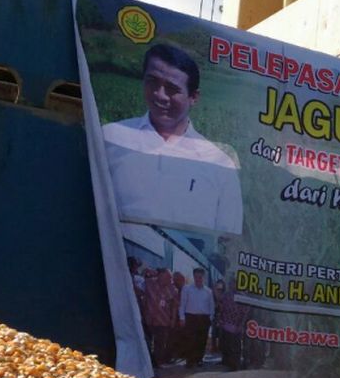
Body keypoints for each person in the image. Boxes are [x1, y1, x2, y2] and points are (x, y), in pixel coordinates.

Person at [103, 44, 243, 235]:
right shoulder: (110, 137)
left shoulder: (219, 164)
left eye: (171, 89)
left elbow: (228, 237)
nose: (159, 95)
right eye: (152, 81)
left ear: (193, 97)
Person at [179, 267, 216, 367]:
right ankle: (190, 361)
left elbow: (211, 306)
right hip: (191, 317)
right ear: (194, 276)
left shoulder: (208, 291)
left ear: (203, 277)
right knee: (190, 340)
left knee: (201, 340)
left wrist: (211, 318)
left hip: (204, 318)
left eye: (200, 277)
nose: (198, 279)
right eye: (196, 277)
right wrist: (182, 318)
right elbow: (182, 304)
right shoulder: (187, 289)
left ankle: (199, 359)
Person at [215, 280, 249, 370]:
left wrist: (241, 325)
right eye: (230, 283)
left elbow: (245, 313)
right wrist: (220, 320)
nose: (231, 285)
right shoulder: (226, 295)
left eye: (233, 283)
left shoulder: (242, 296)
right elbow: (220, 305)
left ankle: (235, 365)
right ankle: (225, 361)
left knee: (235, 346)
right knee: (225, 344)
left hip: (236, 325)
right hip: (225, 323)